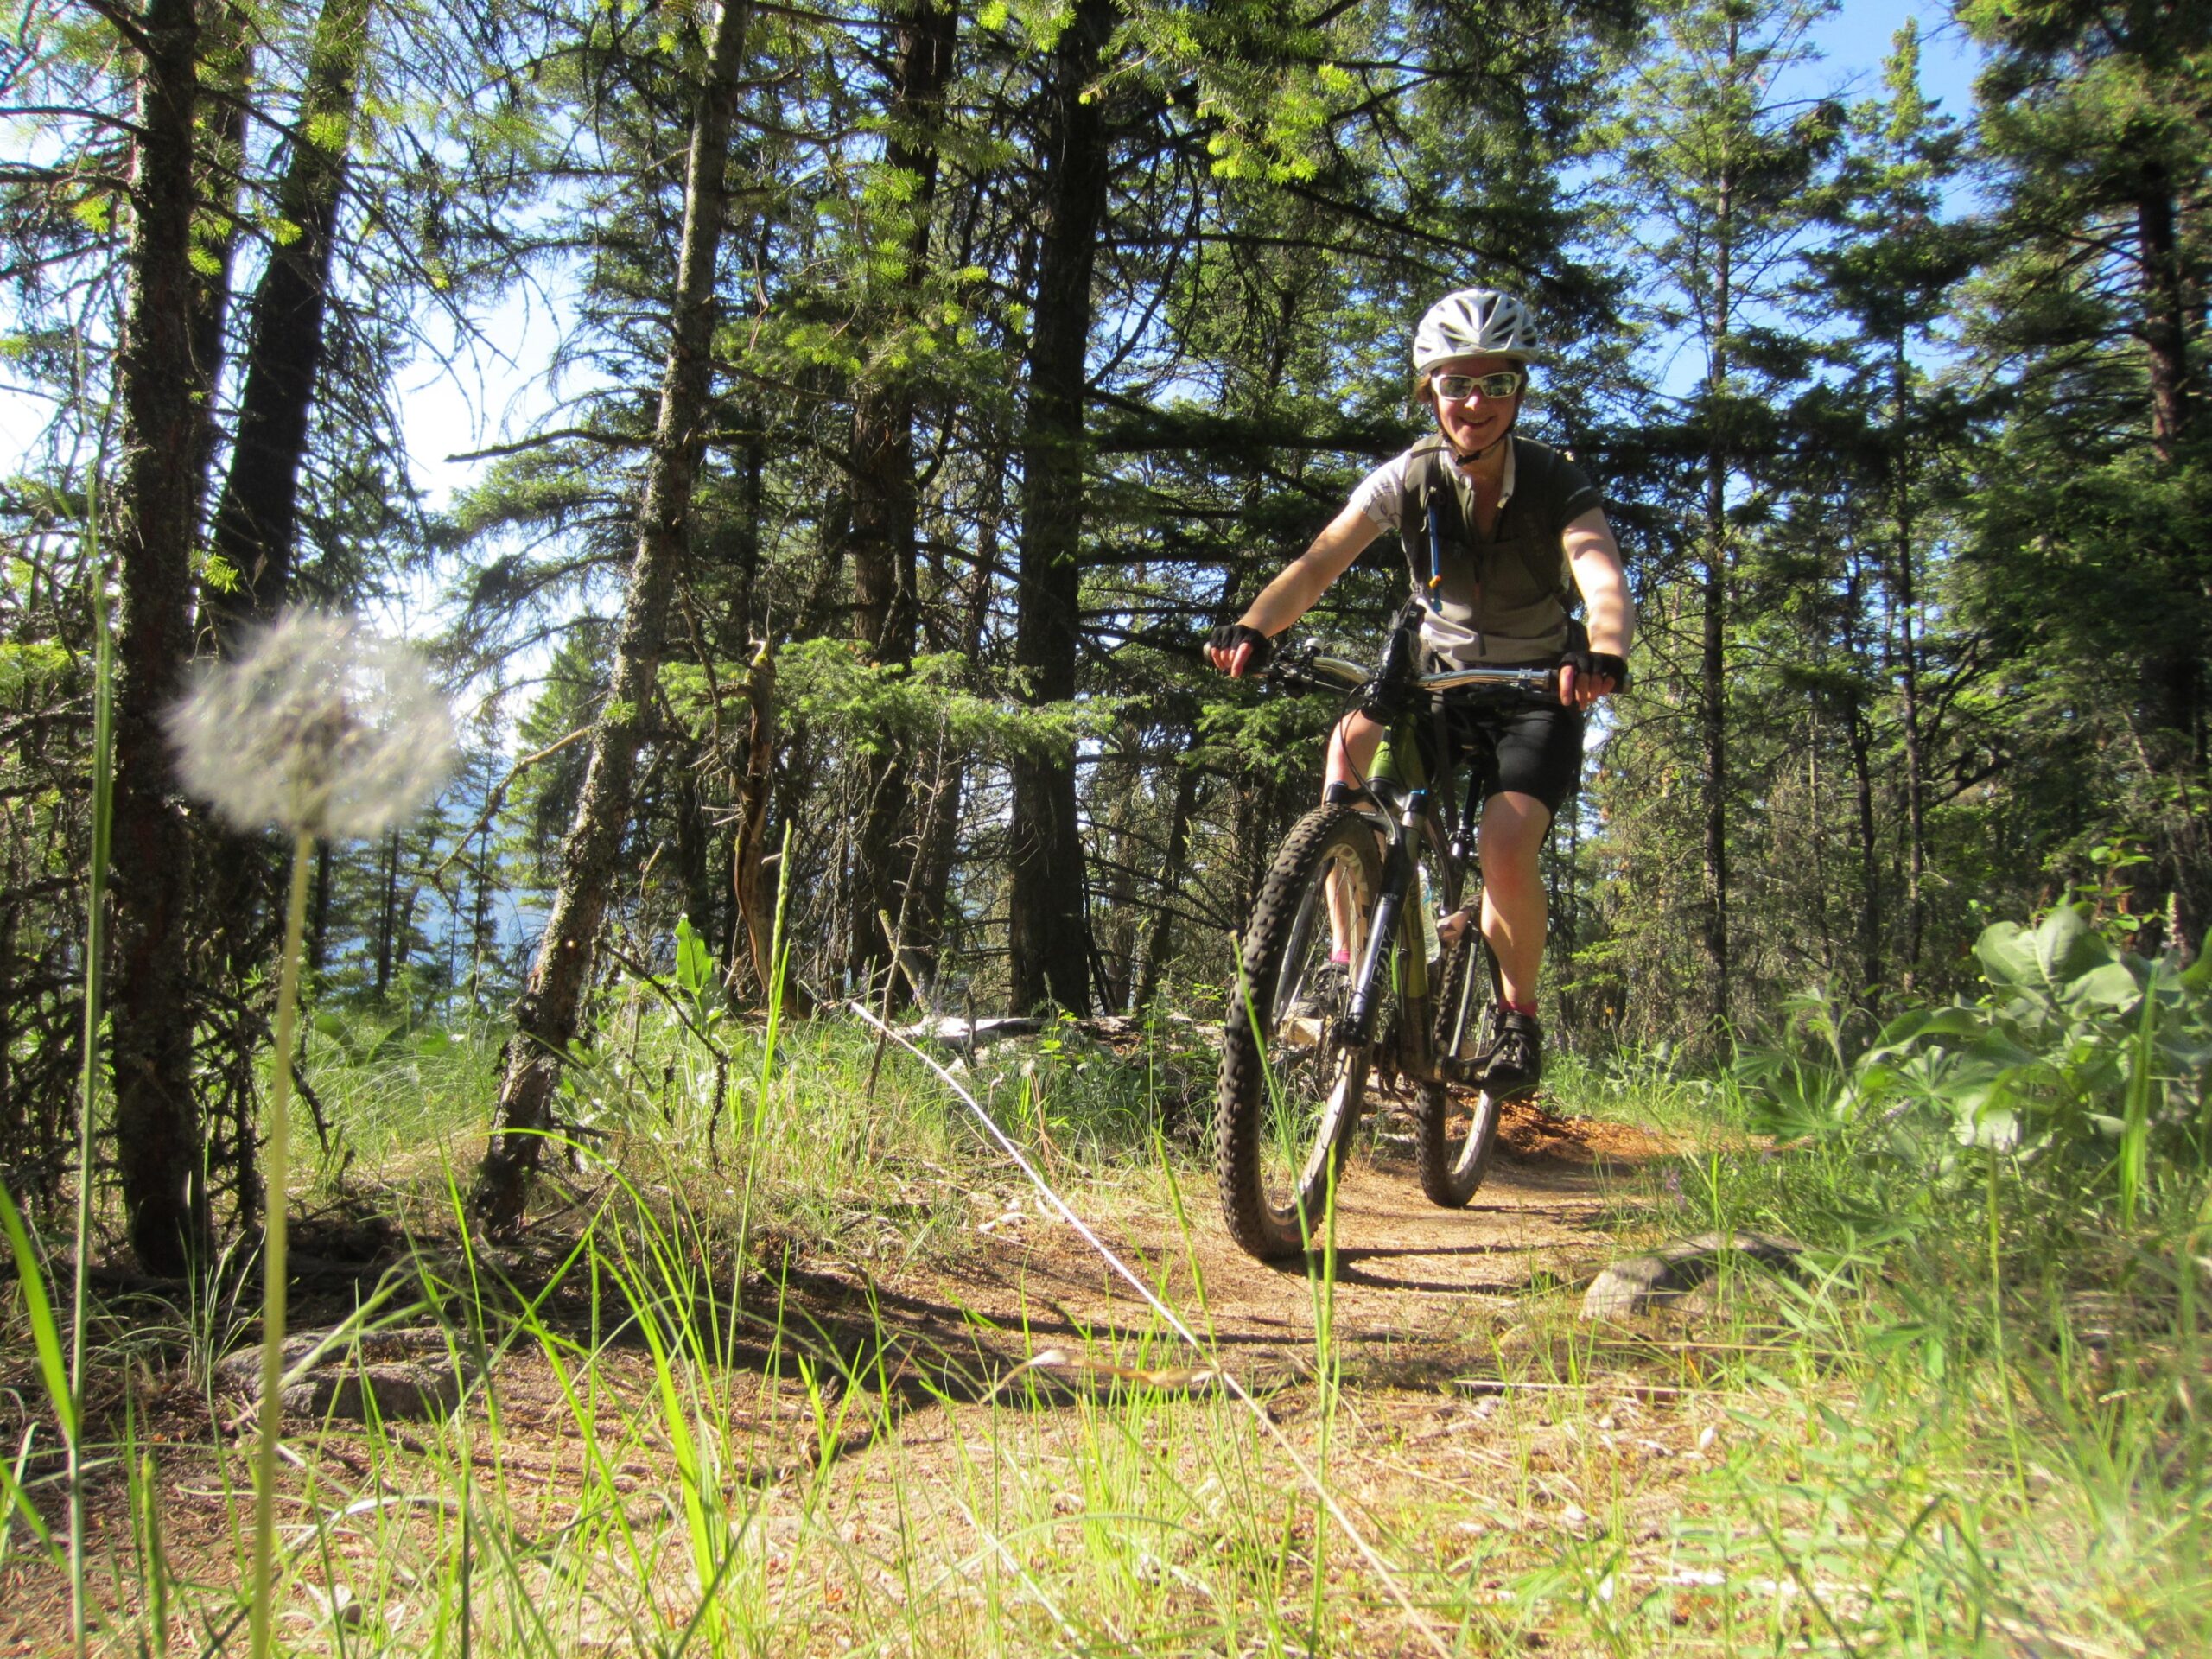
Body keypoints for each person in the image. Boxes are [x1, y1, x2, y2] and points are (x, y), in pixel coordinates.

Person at [1205, 285, 1632, 1099]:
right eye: (1455, 383)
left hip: (1538, 684)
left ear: (1519, 390)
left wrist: (1604, 651)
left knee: (1505, 843)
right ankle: (1344, 958)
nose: (1475, 402)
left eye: (1496, 383)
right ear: (1428, 389)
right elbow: (1320, 561)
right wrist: (1258, 627)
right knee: (1348, 754)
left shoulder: (1554, 480)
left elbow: (1600, 574)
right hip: (1433, 678)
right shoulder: (1406, 477)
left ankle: (1517, 1016)